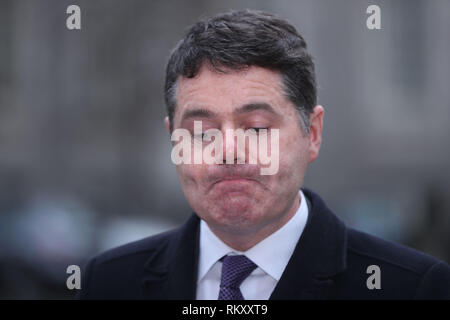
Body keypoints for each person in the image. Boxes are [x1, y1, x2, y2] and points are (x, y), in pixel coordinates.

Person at [78, 9, 450, 300]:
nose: (228, 152)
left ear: (313, 134)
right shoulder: (108, 283)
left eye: (256, 127)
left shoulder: (412, 288)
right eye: (201, 131)